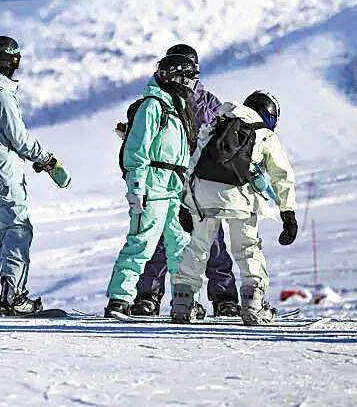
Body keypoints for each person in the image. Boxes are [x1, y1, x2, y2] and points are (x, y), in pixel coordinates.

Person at [129, 44, 241, 318]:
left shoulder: (208, 103)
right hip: (167, 181)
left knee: (211, 239)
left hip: (199, 182)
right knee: (160, 240)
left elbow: (221, 139)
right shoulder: (160, 100)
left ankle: (224, 298)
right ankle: (148, 296)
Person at [171, 90, 297, 325]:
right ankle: (253, 306)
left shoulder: (219, 122)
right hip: (241, 198)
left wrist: (185, 202)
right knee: (248, 248)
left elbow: (194, 161)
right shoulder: (264, 133)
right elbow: (282, 175)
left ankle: (182, 304)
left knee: (198, 247)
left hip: (203, 195)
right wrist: (288, 212)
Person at [0, 36, 69, 315]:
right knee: (18, 230)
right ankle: (14, 296)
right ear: (11, 62)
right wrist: (46, 159)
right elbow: (19, 137)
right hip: (2, 173)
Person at [105, 53, 197, 318]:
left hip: (174, 190)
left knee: (181, 246)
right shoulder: (153, 106)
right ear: (175, 77)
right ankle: (119, 299)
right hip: (153, 188)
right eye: (188, 79)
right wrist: (136, 186)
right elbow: (137, 149)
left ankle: (185, 300)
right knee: (141, 243)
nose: (191, 85)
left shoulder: (178, 108)